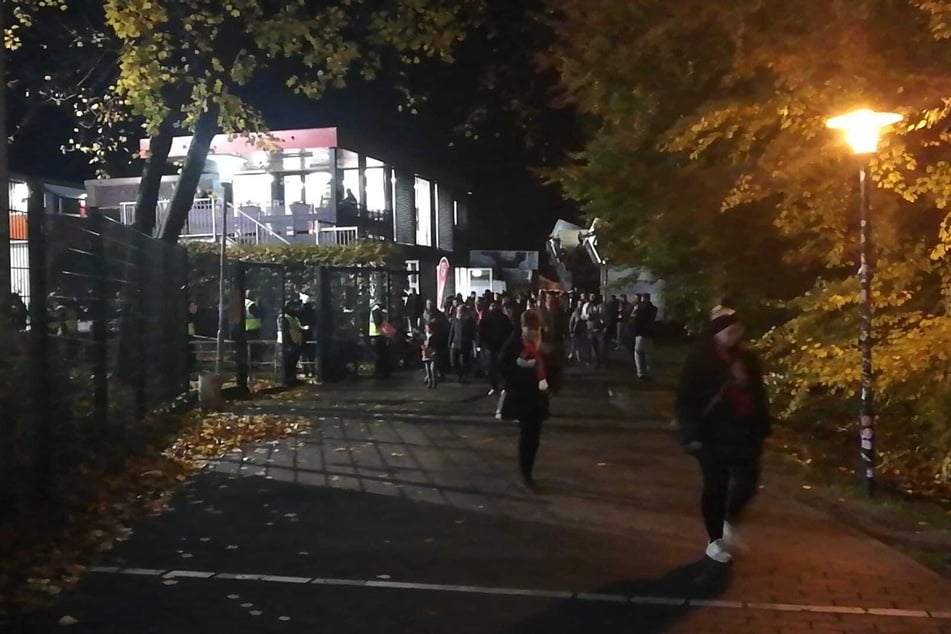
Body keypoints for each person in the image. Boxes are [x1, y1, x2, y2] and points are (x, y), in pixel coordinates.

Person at [675, 307, 771, 564]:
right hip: (711, 432)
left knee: (748, 483)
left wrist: (763, 426)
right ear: (717, 333)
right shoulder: (701, 358)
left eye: (738, 331)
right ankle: (714, 540)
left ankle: (731, 518)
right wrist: (690, 432)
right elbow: (686, 398)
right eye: (729, 331)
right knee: (715, 486)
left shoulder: (747, 359)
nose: (735, 336)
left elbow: (758, 393)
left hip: (743, 429)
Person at [499, 309, 550, 491]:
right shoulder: (514, 343)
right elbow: (503, 366)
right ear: (522, 327)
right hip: (523, 395)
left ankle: (527, 470)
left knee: (534, 437)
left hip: (539, 395)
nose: (534, 332)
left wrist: (551, 382)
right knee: (528, 434)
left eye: (536, 328)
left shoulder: (541, 343)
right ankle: (525, 473)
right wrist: (520, 371)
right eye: (530, 328)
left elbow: (552, 363)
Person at [478, 301, 513, 396]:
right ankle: (494, 386)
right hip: (490, 346)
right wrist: (481, 343)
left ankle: (501, 386)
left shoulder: (504, 319)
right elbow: (480, 332)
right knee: (491, 368)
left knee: (500, 367)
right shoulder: (486, 319)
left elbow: (509, 332)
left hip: (501, 346)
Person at [277, 300, 304, 386]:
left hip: (295, 343)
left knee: (293, 363)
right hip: (286, 344)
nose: (296, 309)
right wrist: (289, 344)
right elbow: (285, 332)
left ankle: (293, 379)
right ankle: (286, 381)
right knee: (287, 363)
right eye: (293, 307)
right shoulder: (283, 317)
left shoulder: (294, 317)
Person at [448, 304, 476, 382]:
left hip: (466, 343)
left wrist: (474, 342)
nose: (459, 312)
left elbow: (473, 332)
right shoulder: (455, 319)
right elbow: (452, 331)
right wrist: (450, 342)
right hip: (456, 343)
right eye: (458, 310)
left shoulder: (470, 320)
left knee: (465, 361)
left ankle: (465, 375)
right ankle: (459, 374)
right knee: (454, 360)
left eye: (461, 310)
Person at [634, 292, 658, 380]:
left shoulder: (640, 308)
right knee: (648, 354)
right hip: (650, 333)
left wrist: (637, 307)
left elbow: (635, 317)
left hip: (640, 333)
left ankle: (640, 372)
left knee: (638, 353)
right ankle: (649, 371)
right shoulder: (654, 309)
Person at [368, 299, 390, 378]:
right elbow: (378, 322)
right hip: (377, 335)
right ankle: (380, 372)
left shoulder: (376, 310)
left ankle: (380, 372)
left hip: (378, 335)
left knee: (381, 354)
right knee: (380, 355)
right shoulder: (376, 310)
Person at [421, 322, 439, 389]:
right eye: (426, 327)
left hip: (432, 353)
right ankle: (429, 382)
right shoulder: (425, 336)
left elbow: (437, 345)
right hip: (426, 354)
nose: (426, 329)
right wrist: (423, 347)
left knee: (432, 369)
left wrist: (435, 351)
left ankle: (434, 382)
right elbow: (423, 344)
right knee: (428, 369)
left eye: (427, 327)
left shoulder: (434, 336)